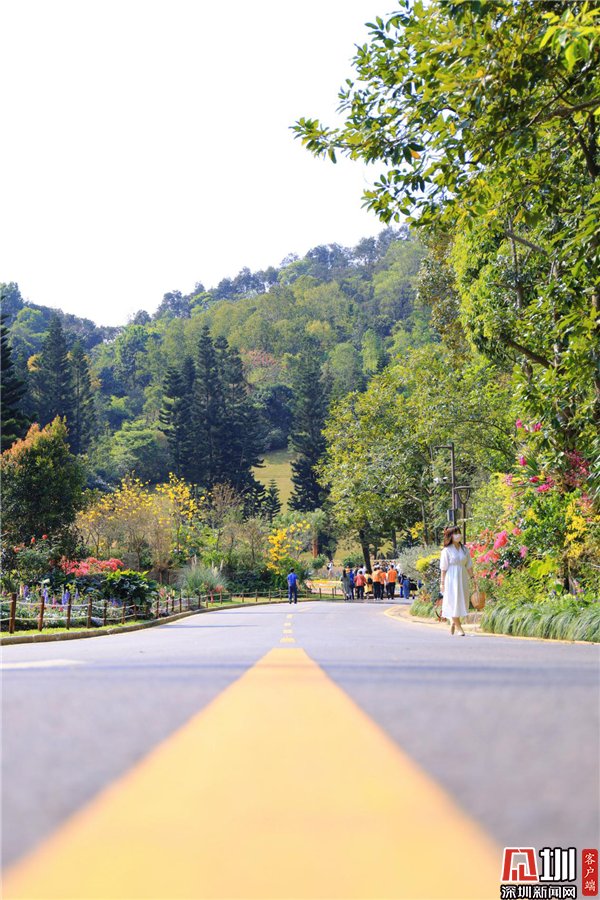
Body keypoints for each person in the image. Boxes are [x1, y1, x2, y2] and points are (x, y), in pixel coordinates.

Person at [440, 524, 472, 635]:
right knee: (453, 600)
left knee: (461, 599)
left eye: (459, 533)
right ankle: (459, 628)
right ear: (450, 536)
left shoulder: (464, 549)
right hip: (451, 577)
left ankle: (454, 621)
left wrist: (473, 578)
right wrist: (442, 583)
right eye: (455, 533)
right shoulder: (446, 551)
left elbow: (469, 565)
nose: (458, 535)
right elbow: (443, 568)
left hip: (462, 576)